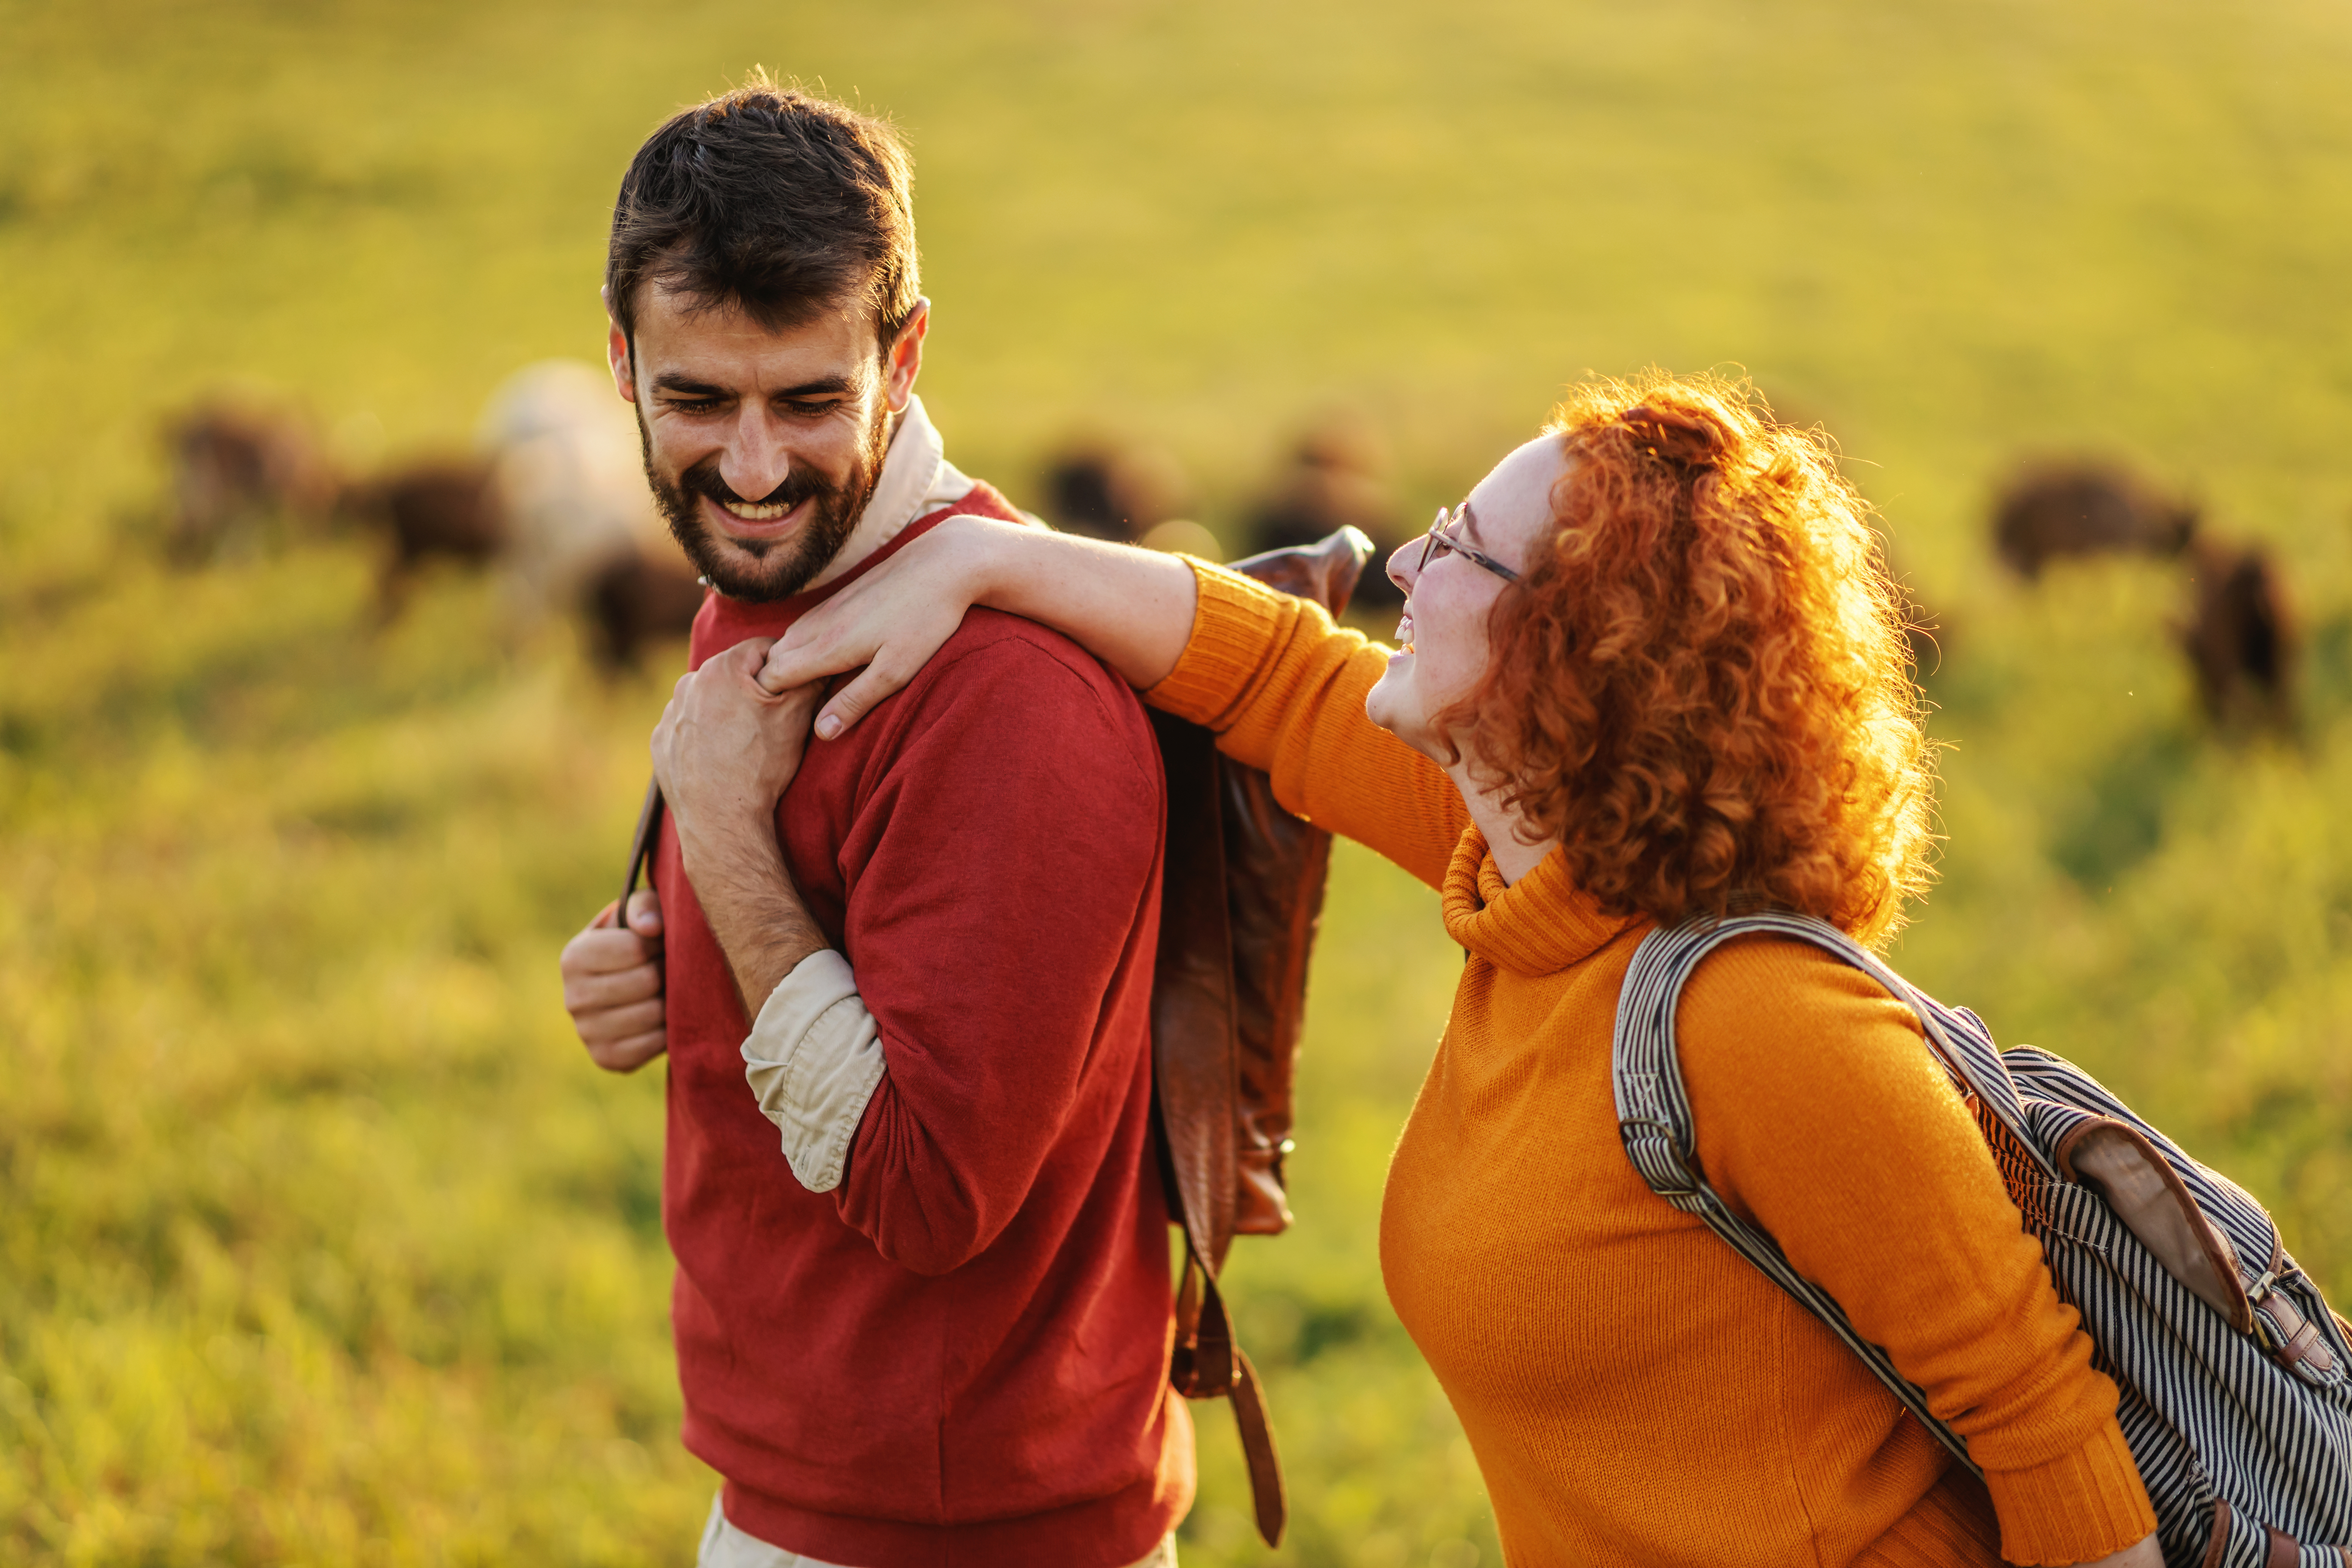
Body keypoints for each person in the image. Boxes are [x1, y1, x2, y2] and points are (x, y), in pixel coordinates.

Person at [752, 371, 2165, 1568]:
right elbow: (1277, 677)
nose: (1403, 574)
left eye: (1461, 554)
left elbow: (2043, 1422)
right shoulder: (1538, 877)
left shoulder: (1771, 1026)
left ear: (1578, 651)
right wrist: (985, 561)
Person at [556, 82, 1189, 1568]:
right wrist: (656, 964)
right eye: (696, 401)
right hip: (807, 1486)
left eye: (810, 400)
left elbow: (928, 1181)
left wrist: (720, 841)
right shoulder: (782, 569)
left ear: (903, 358)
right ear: (621, 359)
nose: (756, 468)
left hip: (975, 1530)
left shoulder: (1011, 692)